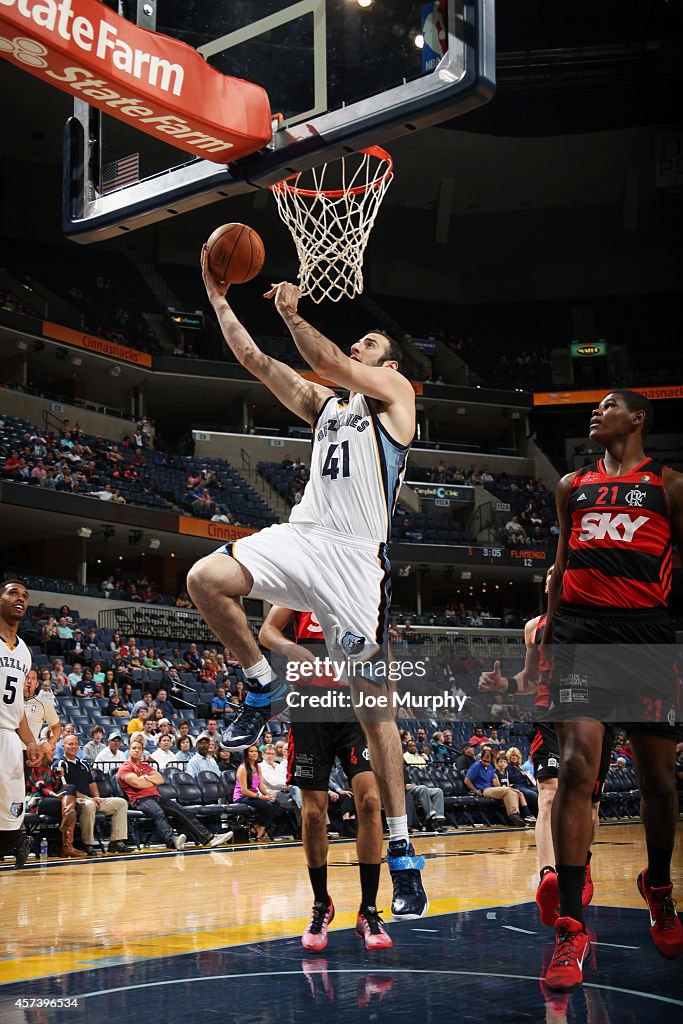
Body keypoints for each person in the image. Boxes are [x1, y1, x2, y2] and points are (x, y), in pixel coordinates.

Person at [187, 260, 427, 919]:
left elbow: (332, 362)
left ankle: (403, 855)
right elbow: (258, 362)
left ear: (391, 364)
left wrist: (294, 313)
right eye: (360, 344)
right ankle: (261, 681)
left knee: (376, 713)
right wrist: (217, 298)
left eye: (370, 345)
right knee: (204, 578)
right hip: (303, 534)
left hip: (354, 562)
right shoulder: (327, 408)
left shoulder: (397, 399)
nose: (359, 349)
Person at [542, 390, 683, 989]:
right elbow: (558, 566)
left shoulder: (670, 486)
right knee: (576, 767)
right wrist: (545, 638)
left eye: (608, 406)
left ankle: (656, 883)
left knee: (657, 782)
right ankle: (571, 927)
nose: (596, 414)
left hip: (648, 637)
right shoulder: (572, 485)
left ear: (638, 417)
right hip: (580, 634)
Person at [479, 564, 609, 928]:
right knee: (548, 793)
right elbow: (530, 678)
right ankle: (547, 876)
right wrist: (505, 685)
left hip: (593, 711)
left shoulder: (597, 617)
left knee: (590, 803)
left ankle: (581, 867)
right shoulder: (533, 628)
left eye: (560, 574)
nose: (553, 578)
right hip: (549, 711)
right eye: (549, 575)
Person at [260, 606, 393, 950]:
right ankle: (322, 904)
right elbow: (267, 632)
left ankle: (368, 910)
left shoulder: (361, 583)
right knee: (314, 812)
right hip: (310, 707)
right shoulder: (300, 583)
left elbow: (380, 646)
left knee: (369, 799)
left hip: (355, 706)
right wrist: (294, 650)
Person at [117, 740, 233, 850]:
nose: (136, 750)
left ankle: (209, 838)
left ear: (143, 751)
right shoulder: (125, 768)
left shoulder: (145, 766)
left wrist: (145, 778)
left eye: (139, 749)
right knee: (158, 813)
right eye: (134, 748)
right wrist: (149, 781)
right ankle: (173, 841)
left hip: (157, 797)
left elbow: (160, 779)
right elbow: (137, 783)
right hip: (140, 800)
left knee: (182, 811)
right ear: (129, 750)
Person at [0, 580, 41, 869]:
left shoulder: (24, 651)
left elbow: (18, 707)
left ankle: (17, 841)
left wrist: (30, 741)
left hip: (10, 736)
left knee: (10, 812)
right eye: (13, 593)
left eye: (25, 596)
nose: (21, 599)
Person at [56, 734, 133, 855]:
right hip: (74, 801)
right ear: (63, 746)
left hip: (90, 798)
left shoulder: (84, 764)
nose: (74, 746)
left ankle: (116, 842)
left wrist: (96, 797)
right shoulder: (61, 764)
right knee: (89, 805)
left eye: (76, 744)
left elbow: (92, 783)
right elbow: (66, 788)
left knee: (121, 803)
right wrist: (89, 799)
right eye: (70, 744)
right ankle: (88, 844)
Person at [25, 739, 85, 859]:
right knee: (73, 808)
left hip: (51, 801)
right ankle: (67, 847)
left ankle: (66, 823)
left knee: (71, 791)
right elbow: (40, 787)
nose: (54, 753)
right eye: (51, 750)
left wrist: (58, 778)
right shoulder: (33, 766)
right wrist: (55, 795)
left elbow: (55, 787)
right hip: (37, 801)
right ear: (42, 752)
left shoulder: (49, 768)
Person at [464, 745, 527, 827]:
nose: (486, 763)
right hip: (484, 790)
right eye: (484, 761)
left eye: (488, 761)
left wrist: (501, 788)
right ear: (481, 758)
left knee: (512, 791)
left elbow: (494, 782)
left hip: (491, 789)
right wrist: (475, 790)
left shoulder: (490, 766)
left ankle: (516, 817)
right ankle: (513, 815)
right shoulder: (475, 766)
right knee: (507, 790)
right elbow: (466, 780)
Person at [233, 744, 281, 842]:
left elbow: (260, 786)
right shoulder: (242, 768)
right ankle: (259, 828)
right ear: (246, 754)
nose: (254, 753)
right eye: (251, 751)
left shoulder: (257, 767)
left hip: (254, 796)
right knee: (267, 806)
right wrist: (260, 797)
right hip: (242, 797)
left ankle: (260, 828)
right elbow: (244, 790)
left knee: (276, 804)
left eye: (255, 751)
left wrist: (267, 795)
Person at [23, 667, 62, 746]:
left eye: (33, 679)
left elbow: (57, 727)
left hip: (29, 751)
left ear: (37, 684)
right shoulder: (10, 701)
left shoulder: (44, 704)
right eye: (26, 678)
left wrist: (50, 743)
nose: (29, 681)